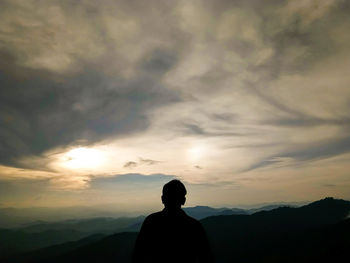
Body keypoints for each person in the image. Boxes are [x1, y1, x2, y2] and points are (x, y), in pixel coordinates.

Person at [132, 179, 213, 263]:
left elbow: (138, 255)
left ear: (162, 199)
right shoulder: (194, 226)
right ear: (183, 200)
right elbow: (206, 257)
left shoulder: (151, 222)